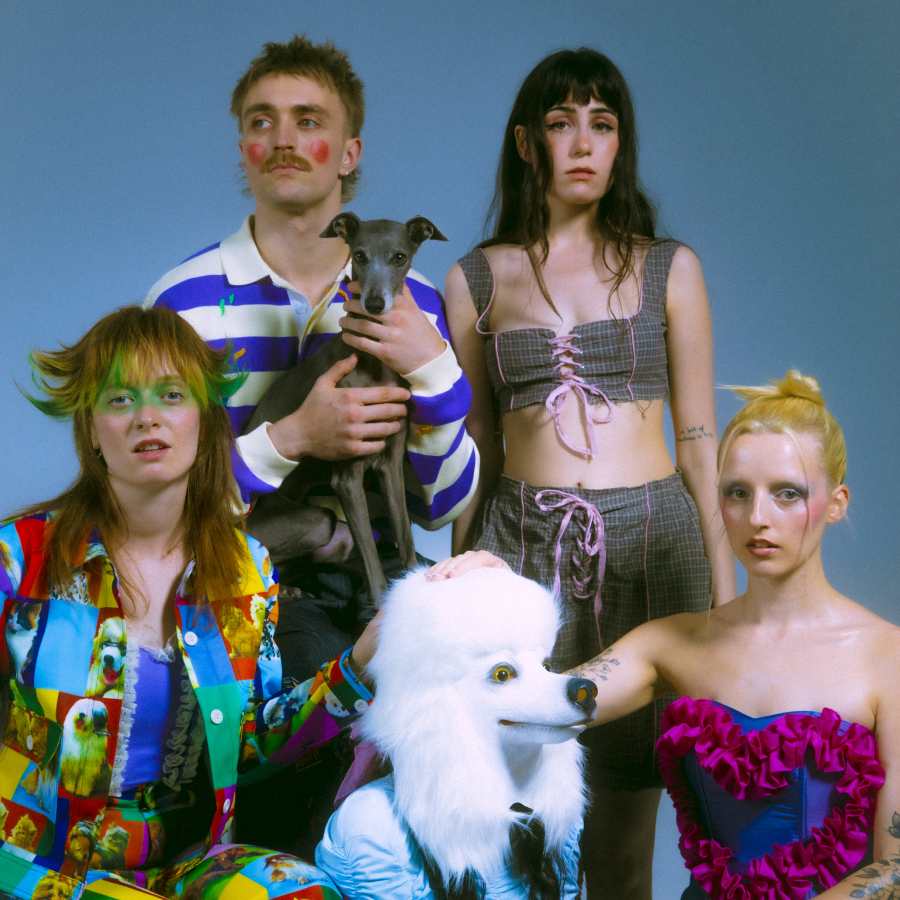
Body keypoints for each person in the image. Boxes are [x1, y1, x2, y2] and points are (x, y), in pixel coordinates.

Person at [443, 47, 734, 896]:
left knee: (626, 823)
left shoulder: (668, 268)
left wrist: (723, 607)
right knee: (510, 817)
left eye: (602, 125)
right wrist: (456, 588)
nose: (584, 144)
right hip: (522, 544)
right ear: (528, 143)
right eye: (563, 124)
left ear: (620, 144)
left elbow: (697, 442)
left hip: (658, 550)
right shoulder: (473, 281)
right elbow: (477, 455)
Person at [434, 371, 899, 898]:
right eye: (738, 493)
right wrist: (491, 589)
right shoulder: (670, 644)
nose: (757, 517)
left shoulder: (889, 657)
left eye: (788, 494)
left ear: (836, 502)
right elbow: (528, 709)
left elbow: (897, 866)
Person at [0, 305, 379, 898]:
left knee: (306, 892)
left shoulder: (243, 566)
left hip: (188, 862)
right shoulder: (20, 558)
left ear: (203, 417)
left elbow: (251, 739)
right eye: (119, 399)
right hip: (43, 866)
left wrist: (359, 665)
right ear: (91, 429)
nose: (147, 417)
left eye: (171, 395)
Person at [146, 34, 478, 668]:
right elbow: (154, 498)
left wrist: (433, 371)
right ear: (242, 149)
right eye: (261, 121)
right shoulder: (179, 303)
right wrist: (291, 439)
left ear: (350, 153)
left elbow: (444, 505)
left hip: (383, 586)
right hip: (234, 583)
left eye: (309, 121)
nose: (284, 140)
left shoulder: (422, 305)